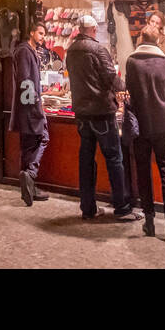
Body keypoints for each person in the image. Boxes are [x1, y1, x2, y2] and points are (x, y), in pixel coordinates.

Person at [66, 14, 137, 221]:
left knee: (86, 160)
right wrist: (128, 88)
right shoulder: (97, 50)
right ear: (94, 30)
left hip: (81, 112)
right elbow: (111, 78)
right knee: (114, 159)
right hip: (101, 112)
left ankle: (87, 208)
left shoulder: (71, 50)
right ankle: (122, 208)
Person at [126, 24, 165, 241]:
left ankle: (149, 222)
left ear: (141, 38)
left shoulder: (132, 62)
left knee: (143, 172)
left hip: (140, 124)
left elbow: (129, 89)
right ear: (158, 40)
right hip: (162, 123)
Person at [10, 21, 51, 206]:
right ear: (32, 32)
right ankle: (30, 174)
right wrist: (35, 103)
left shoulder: (28, 51)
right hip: (29, 107)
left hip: (27, 106)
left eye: (44, 34)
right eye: (40, 33)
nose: (43, 37)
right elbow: (25, 79)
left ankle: (29, 187)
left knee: (28, 146)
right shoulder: (24, 51)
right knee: (43, 137)